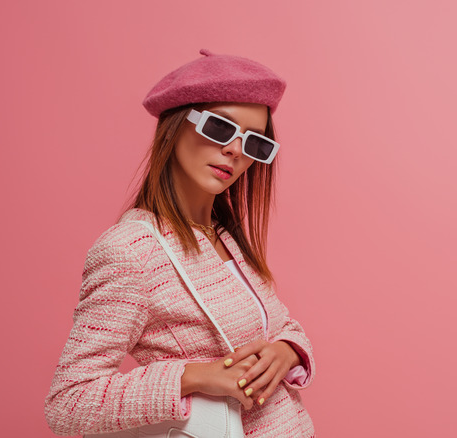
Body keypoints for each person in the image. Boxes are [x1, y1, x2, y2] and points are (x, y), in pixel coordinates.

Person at [44, 49, 315, 437]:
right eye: (220, 128)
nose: (236, 151)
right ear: (175, 125)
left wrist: (286, 350)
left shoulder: (225, 236)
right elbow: (69, 402)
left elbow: (282, 323)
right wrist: (192, 378)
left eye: (255, 143)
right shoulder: (130, 251)